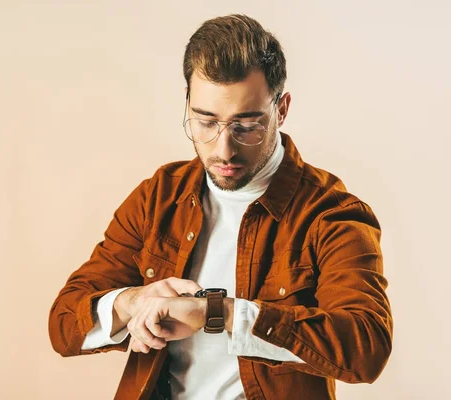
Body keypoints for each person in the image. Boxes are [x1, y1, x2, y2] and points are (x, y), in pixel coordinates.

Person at [49, 14, 392, 400]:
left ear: (281, 109)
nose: (223, 149)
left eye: (247, 125)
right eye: (206, 121)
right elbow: (63, 324)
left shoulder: (329, 213)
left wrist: (221, 313)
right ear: (187, 104)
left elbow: (367, 346)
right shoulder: (158, 197)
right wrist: (134, 302)